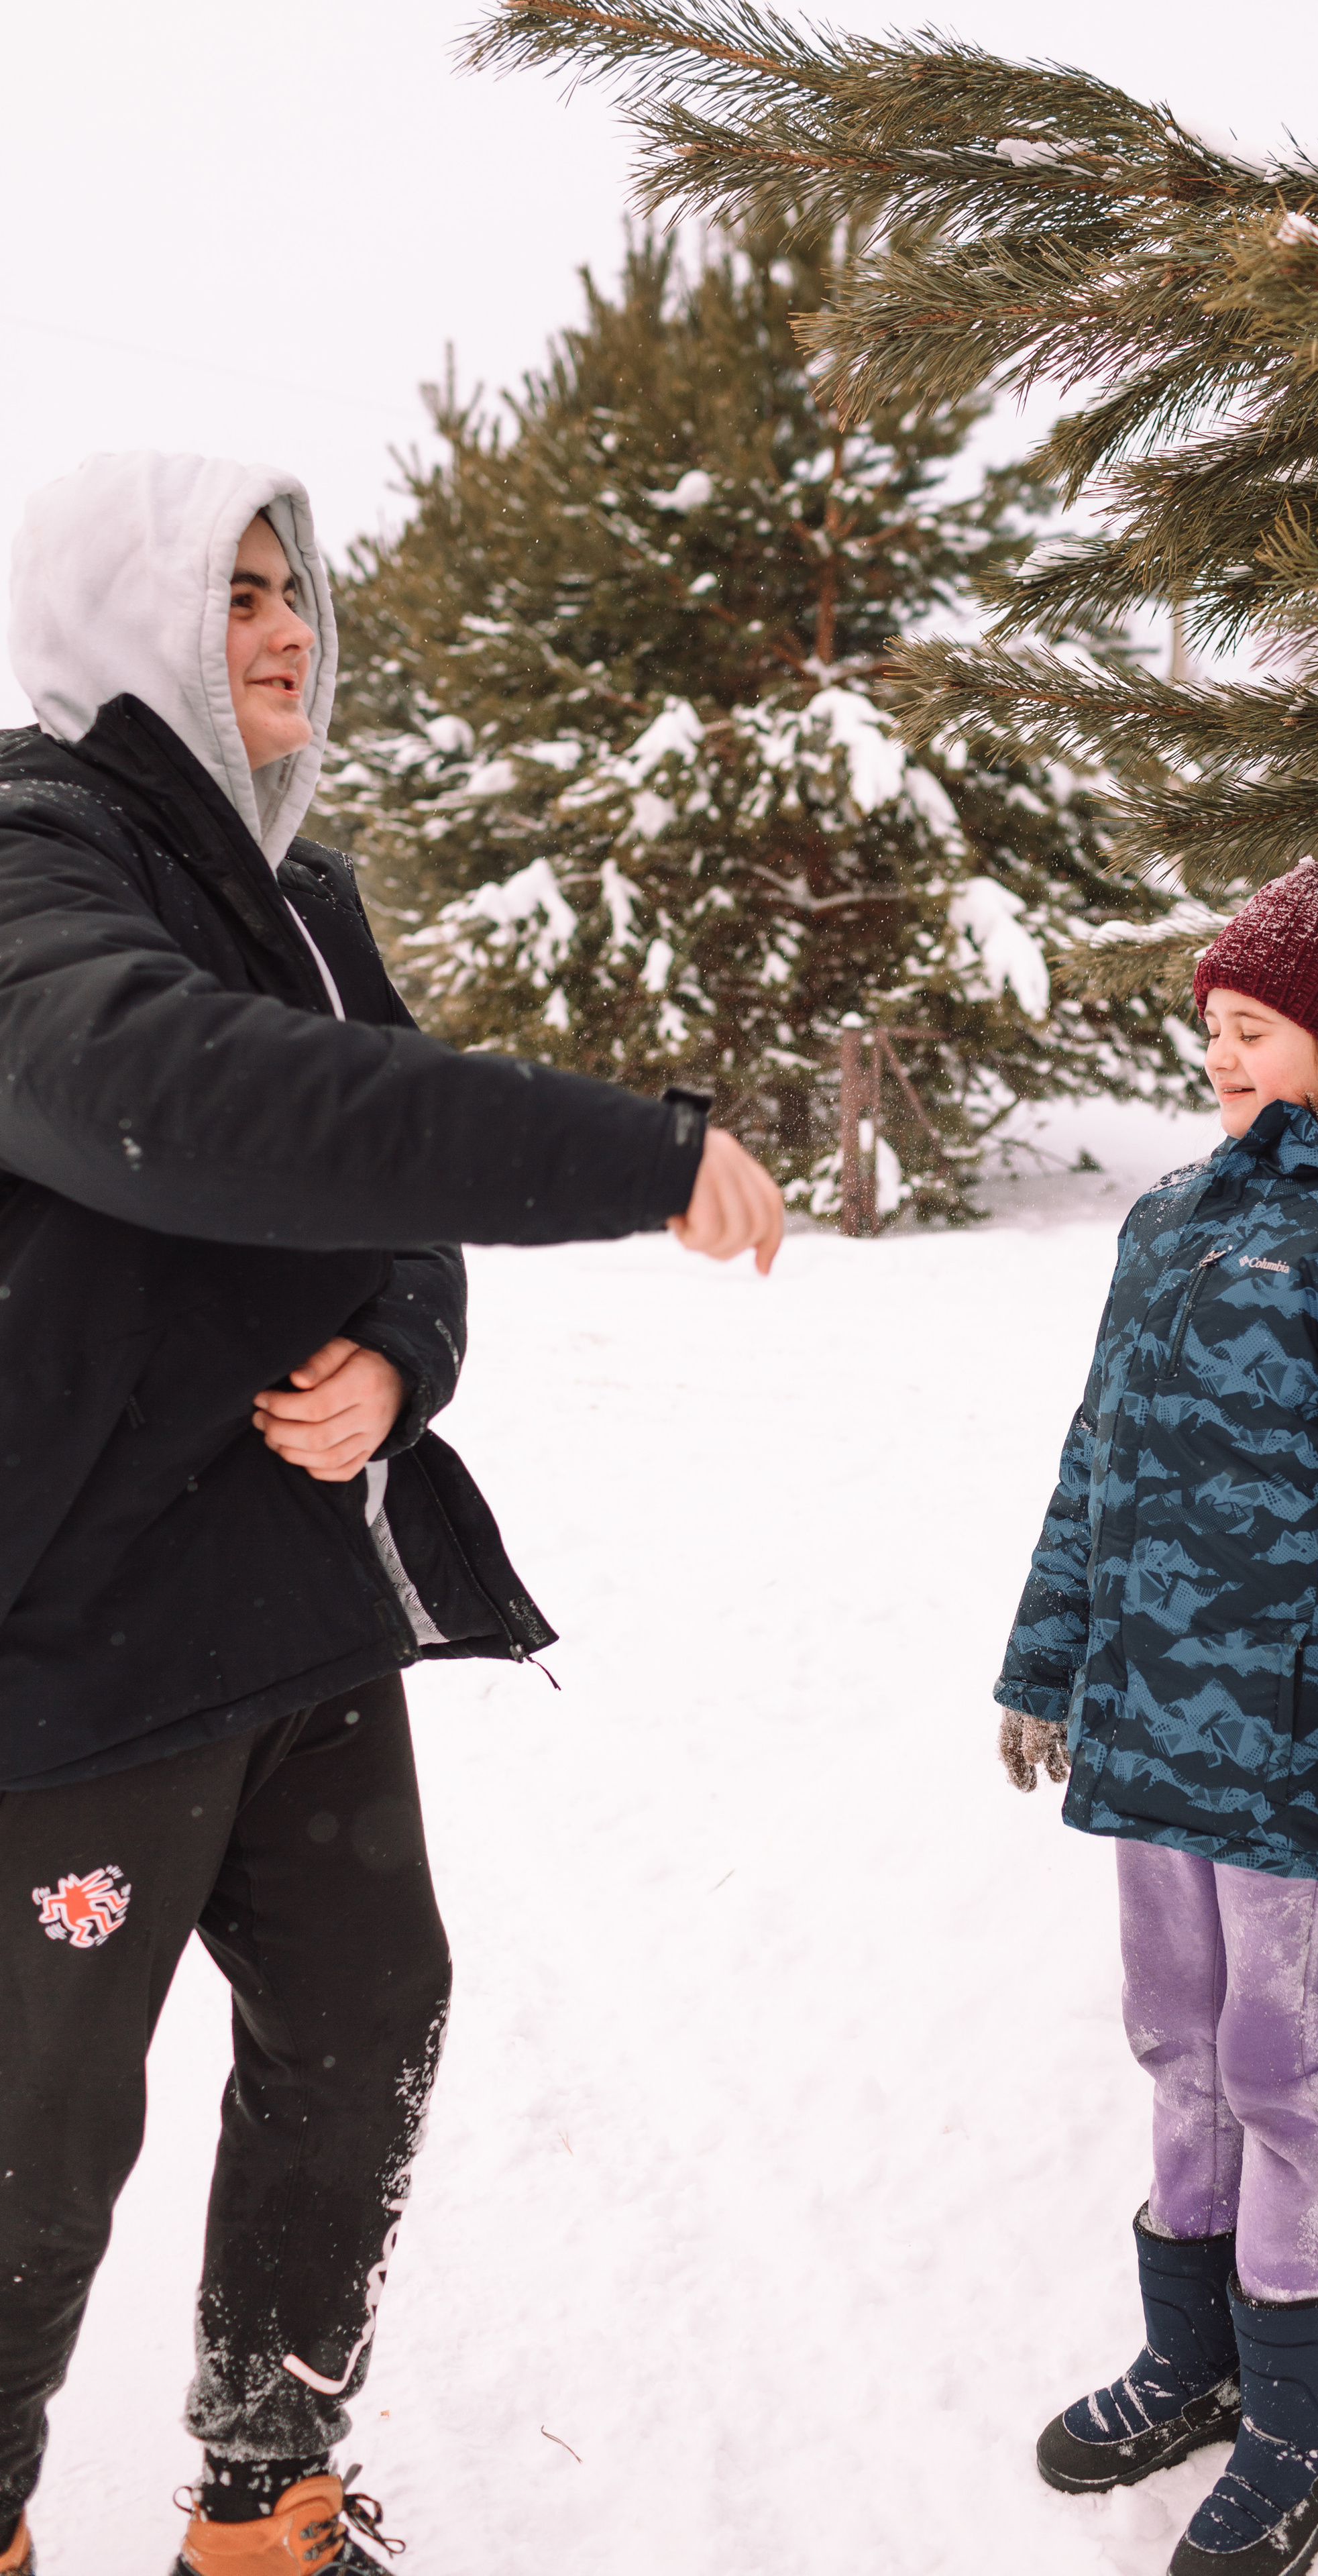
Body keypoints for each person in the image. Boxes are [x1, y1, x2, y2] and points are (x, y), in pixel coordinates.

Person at [0, 451, 781, 2576]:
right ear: (121, 613)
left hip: (291, 1607)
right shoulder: (32, 854)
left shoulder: (298, 882)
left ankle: (268, 2499)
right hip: (73, 1647)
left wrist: (399, 1363)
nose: (283, 629)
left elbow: (386, 1197)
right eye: (233, 591)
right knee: (37, 2145)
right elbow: (167, 1094)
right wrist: (625, 1152)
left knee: (363, 2027)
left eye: (298, 593)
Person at [995, 862, 1318, 2576]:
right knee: (1172, 2040)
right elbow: (1098, 1460)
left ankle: (1303, 2404)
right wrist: (1041, 1655)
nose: (1218, 1056)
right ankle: (1192, 2353)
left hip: (1296, 1742)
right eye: (1209, 1025)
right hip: (1152, 1725)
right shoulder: (1175, 1215)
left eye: (1253, 1029)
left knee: (1284, 2073)